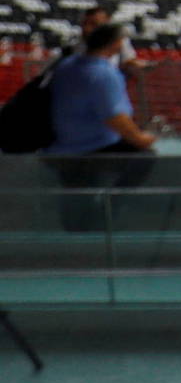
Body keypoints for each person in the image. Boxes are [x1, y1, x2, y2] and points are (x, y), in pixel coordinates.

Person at [45, 22, 157, 232]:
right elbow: (115, 117)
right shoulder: (103, 74)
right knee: (144, 158)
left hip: (61, 142)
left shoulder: (66, 65)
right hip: (91, 145)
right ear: (115, 45)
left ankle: (75, 228)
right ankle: (110, 207)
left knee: (75, 196)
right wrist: (140, 139)